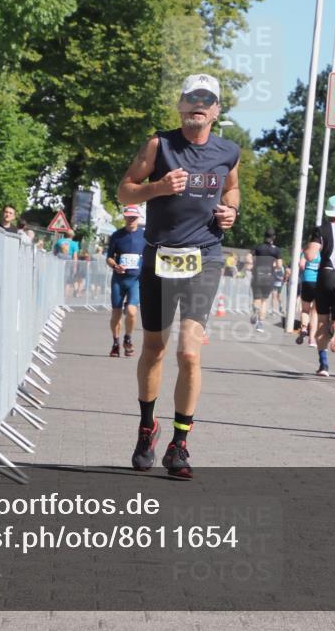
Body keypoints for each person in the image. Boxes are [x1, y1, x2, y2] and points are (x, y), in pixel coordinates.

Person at [117, 73, 239, 478]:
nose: (198, 105)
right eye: (191, 97)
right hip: (159, 257)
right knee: (154, 350)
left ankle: (180, 444)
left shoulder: (228, 151)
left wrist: (231, 212)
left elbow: (233, 190)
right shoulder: (160, 145)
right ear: (181, 105)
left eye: (207, 99)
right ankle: (146, 428)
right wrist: (158, 188)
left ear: (216, 110)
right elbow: (124, 191)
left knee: (189, 352)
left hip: (205, 257)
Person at [307, 195, 335, 377]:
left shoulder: (320, 230)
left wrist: (307, 248)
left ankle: (324, 364)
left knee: (321, 321)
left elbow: (311, 255)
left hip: (325, 275)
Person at [106, 205, 147, 357]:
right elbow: (109, 257)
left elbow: (150, 257)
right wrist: (115, 265)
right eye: (128, 217)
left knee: (131, 311)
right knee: (116, 314)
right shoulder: (116, 235)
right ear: (124, 217)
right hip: (118, 279)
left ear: (139, 218)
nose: (131, 220)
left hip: (135, 280)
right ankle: (115, 343)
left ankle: (128, 338)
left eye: (134, 217)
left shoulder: (144, 236)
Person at [249, 229, 281, 333]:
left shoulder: (258, 247)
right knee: (264, 300)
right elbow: (279, 265)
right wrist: (273, 266)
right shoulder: (276, 250)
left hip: (258, 275)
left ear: (264, 236)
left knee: (256, 299)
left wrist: (252, 265)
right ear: (274, 237)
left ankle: (255, 311)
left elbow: (249, 257)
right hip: (269, 276)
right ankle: (260, 324)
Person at [295, 244, 321, 346]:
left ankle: (304, 328)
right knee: (315, 312)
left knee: (305, 309)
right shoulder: (323, 251)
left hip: (307, 280)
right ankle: (312, 339)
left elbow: (301, 265)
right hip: (319, 282)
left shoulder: (306, 251)